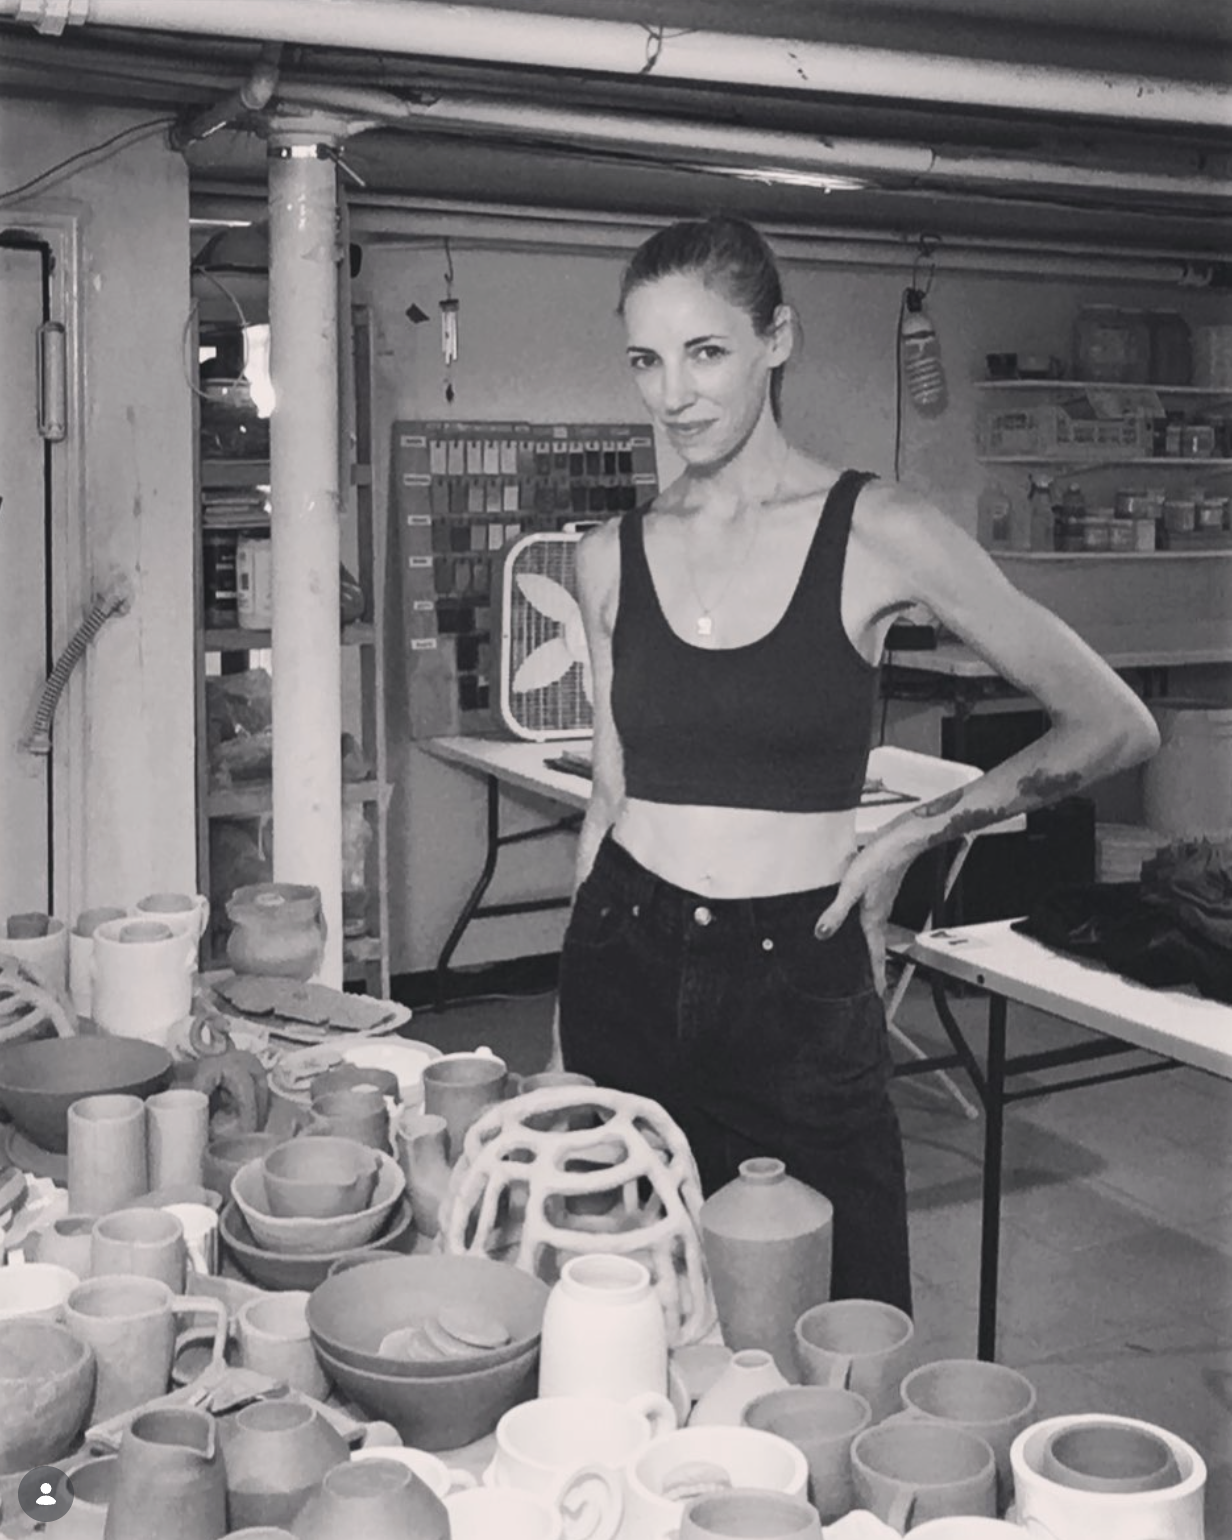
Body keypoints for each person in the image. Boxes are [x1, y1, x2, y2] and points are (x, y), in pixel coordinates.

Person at [552, 214, 1160, 1312]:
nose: (671, 394)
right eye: (646, 360)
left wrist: (915, 832)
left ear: (774, 340)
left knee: (846, 1321)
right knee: (629, 1311)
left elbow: (1110, 722)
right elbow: (608, 796)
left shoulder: (877, 528)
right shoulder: (606, 559)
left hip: (796, 974)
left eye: (706, 352)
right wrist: (564, 1050)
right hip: (622, 955)